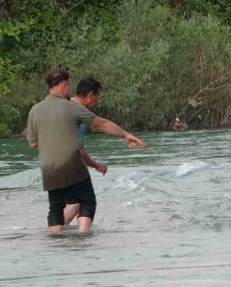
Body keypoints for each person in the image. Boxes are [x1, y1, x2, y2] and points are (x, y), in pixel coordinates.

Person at [27, 70, 144, 233]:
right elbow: (101, 124)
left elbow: (32, 143)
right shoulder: (72, 107)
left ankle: (53, 243)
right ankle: (83, 237)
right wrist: (125, 134)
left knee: (55, 208)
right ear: (64, 85)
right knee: (87, 201)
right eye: (69, 85)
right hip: (71, 165)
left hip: (48, 169)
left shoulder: (35, 110)